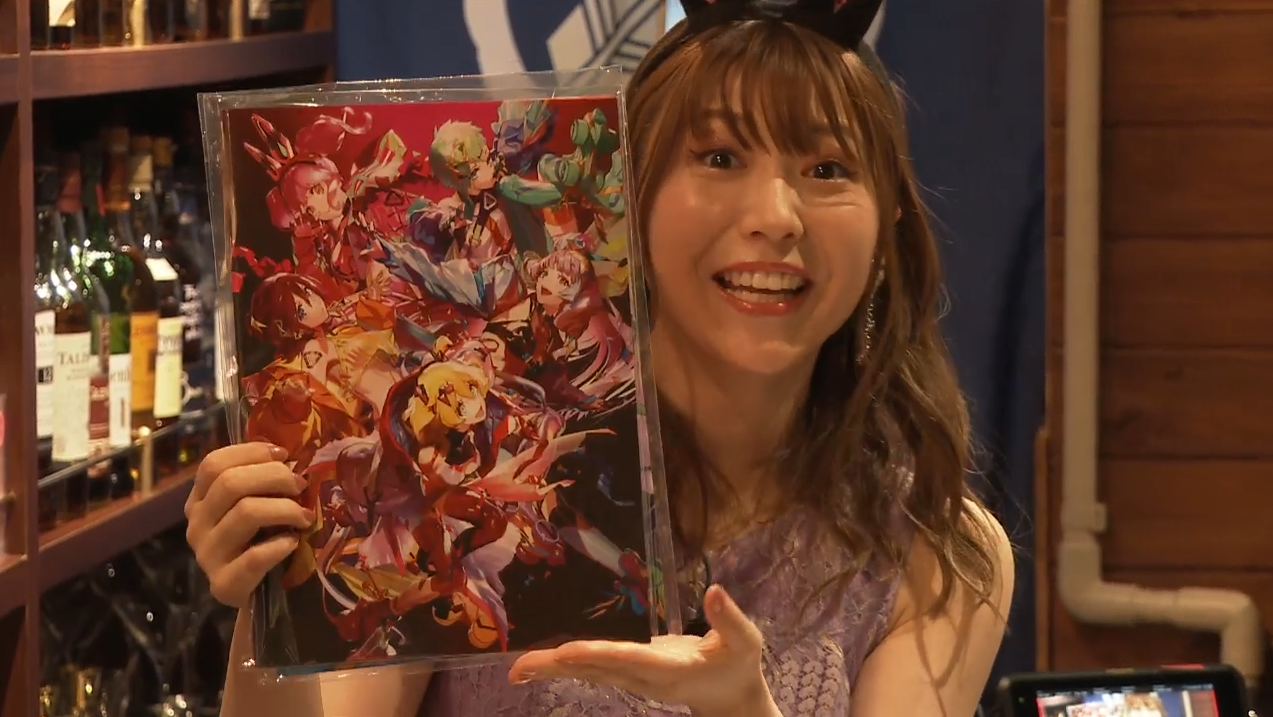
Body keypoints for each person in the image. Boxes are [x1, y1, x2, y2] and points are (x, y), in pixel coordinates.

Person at [185, 0, 1015, 714]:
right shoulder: (475, 446)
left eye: (826, 168)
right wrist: (275, 593)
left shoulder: (934, 556)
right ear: (627, 193)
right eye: (719, 157)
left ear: (888, 221)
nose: (775, 215)